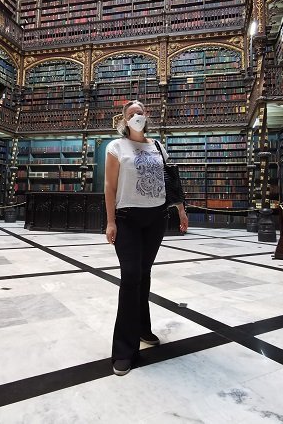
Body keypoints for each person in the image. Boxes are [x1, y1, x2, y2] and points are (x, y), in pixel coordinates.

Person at [104, 100, 188, 376]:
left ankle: (142, 328)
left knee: (144, 273)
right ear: (124, 120)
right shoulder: (116, 147)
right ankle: (123, 348)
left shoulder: (158, 146)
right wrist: (110, 221)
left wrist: (180, 210)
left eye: (140, 112)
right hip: (128, 217)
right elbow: (110, 186)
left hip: (157, 218)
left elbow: (170, 180)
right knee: (130, 277)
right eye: (131, 113)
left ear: (146, 116)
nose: (137, 116)